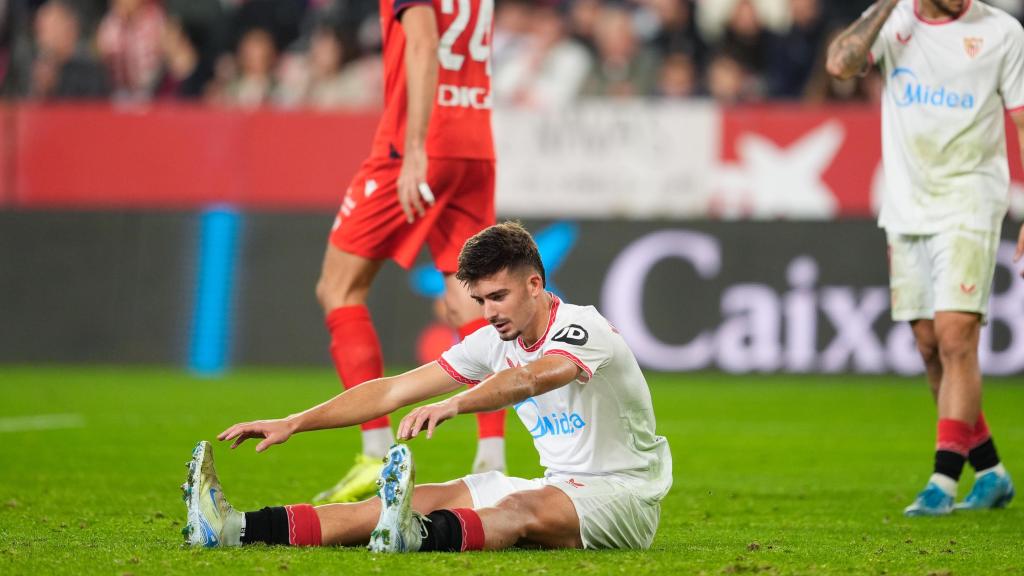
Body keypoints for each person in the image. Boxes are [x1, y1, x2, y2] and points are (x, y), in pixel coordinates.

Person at [181, 222, 673, 551]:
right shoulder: (491, 341)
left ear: (535, 285)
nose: (490, 312)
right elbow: (391, 391)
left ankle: (416, 539)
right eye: (480, 300)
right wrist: (294, 422)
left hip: (623, 497)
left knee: (519, 508)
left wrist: (456, 404)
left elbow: (530, 378)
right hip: (560, 484)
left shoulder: (582, 328)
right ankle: (235, 527)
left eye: (499, 296)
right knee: (414, 497)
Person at [827, 0, 1024, 516]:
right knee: (929, 345)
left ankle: (942, 480)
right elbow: (840, 65)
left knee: (957, 335)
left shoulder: (1001, 31)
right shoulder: (891, 21)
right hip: (907, 206)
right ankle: (992, 473)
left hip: (971, 200)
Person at [310, 0, 504, 506]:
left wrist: (415, 146)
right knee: (470, 303)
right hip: (475, 142)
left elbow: (423, 41)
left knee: (339, 287)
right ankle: (492, 458)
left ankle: (376, 454)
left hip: (418, 142)